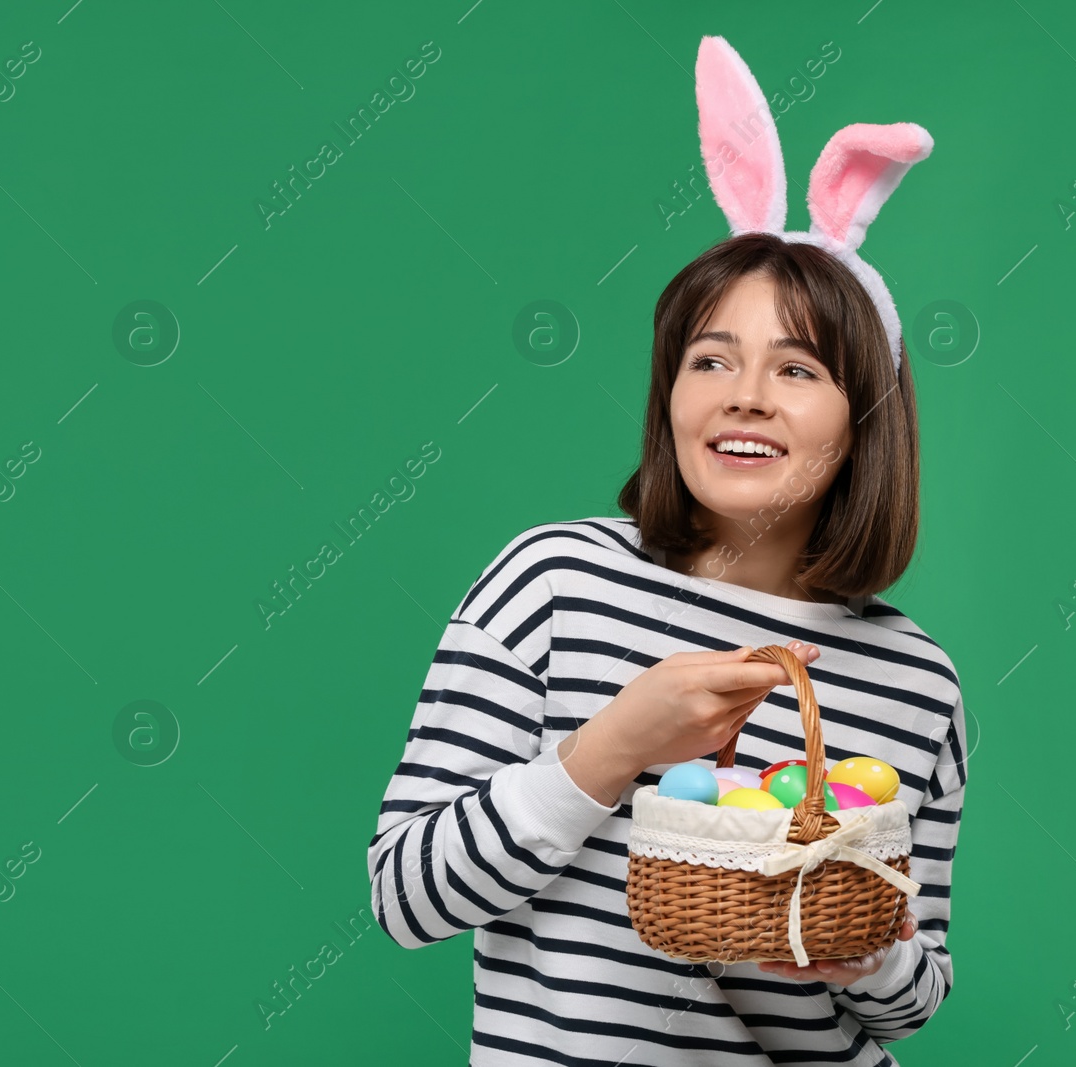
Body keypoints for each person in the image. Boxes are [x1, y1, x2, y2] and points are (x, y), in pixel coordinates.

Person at [364, 228, 968, 1064]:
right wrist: (615, 745)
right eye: (711, 360)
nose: (745, 397)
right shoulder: (553, 582)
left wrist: (868, 950)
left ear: (863, 420)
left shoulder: (918, 679)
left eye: (797, 369)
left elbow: (914, 996)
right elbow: (406, 897)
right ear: (669, 394)